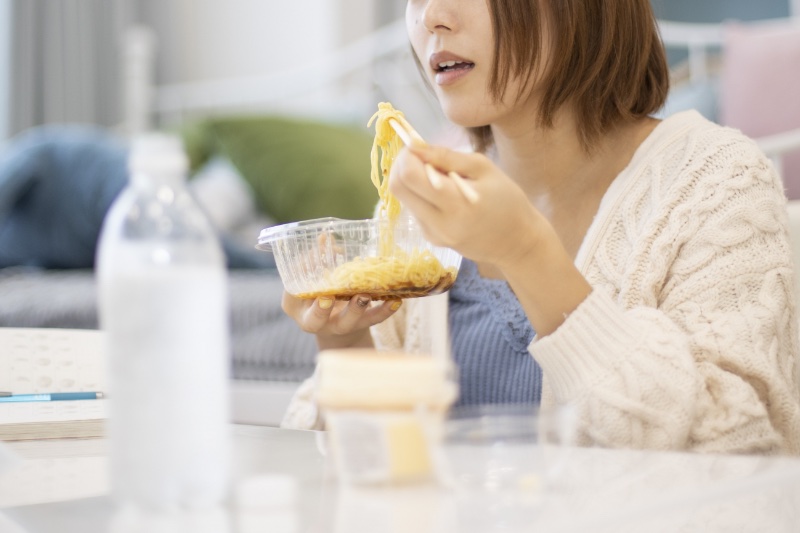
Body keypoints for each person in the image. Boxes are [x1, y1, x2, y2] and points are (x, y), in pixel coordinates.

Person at [280, 0, 800, 454]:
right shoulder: (421, 212)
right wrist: (345, 345)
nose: (432, 16)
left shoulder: (716, 182)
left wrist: (526, 250)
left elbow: (735, 453)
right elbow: (378, 476)